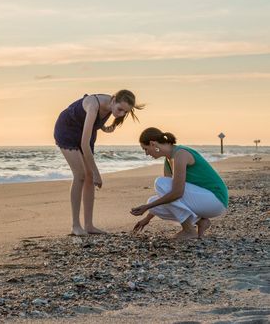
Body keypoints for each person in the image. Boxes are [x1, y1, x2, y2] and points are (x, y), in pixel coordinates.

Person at [54, 90, 143, 236]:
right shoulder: (93, 105)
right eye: (120, 109)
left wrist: (104, 127)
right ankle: (75, 226)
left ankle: (89, 226)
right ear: (113, 100)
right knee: (81, 175)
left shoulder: (111, 107)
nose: (121, 114)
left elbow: (93, 122)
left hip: (84, 132)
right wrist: (97, 173)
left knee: (88, 177)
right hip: (67, 129)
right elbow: (84, 144)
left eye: (125, 112)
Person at [131, 127, 228, 240]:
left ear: (153, 144)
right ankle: (201, 222)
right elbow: (167, 196)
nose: (146, 154)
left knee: (160, 184)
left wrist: (147, 207)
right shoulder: (168, 160)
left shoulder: (180, 154)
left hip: (215, 199)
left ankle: (189, 230)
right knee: (153, 202)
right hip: (203, 200)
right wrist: (147, 218)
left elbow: (177, 193)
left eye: (145, 149)